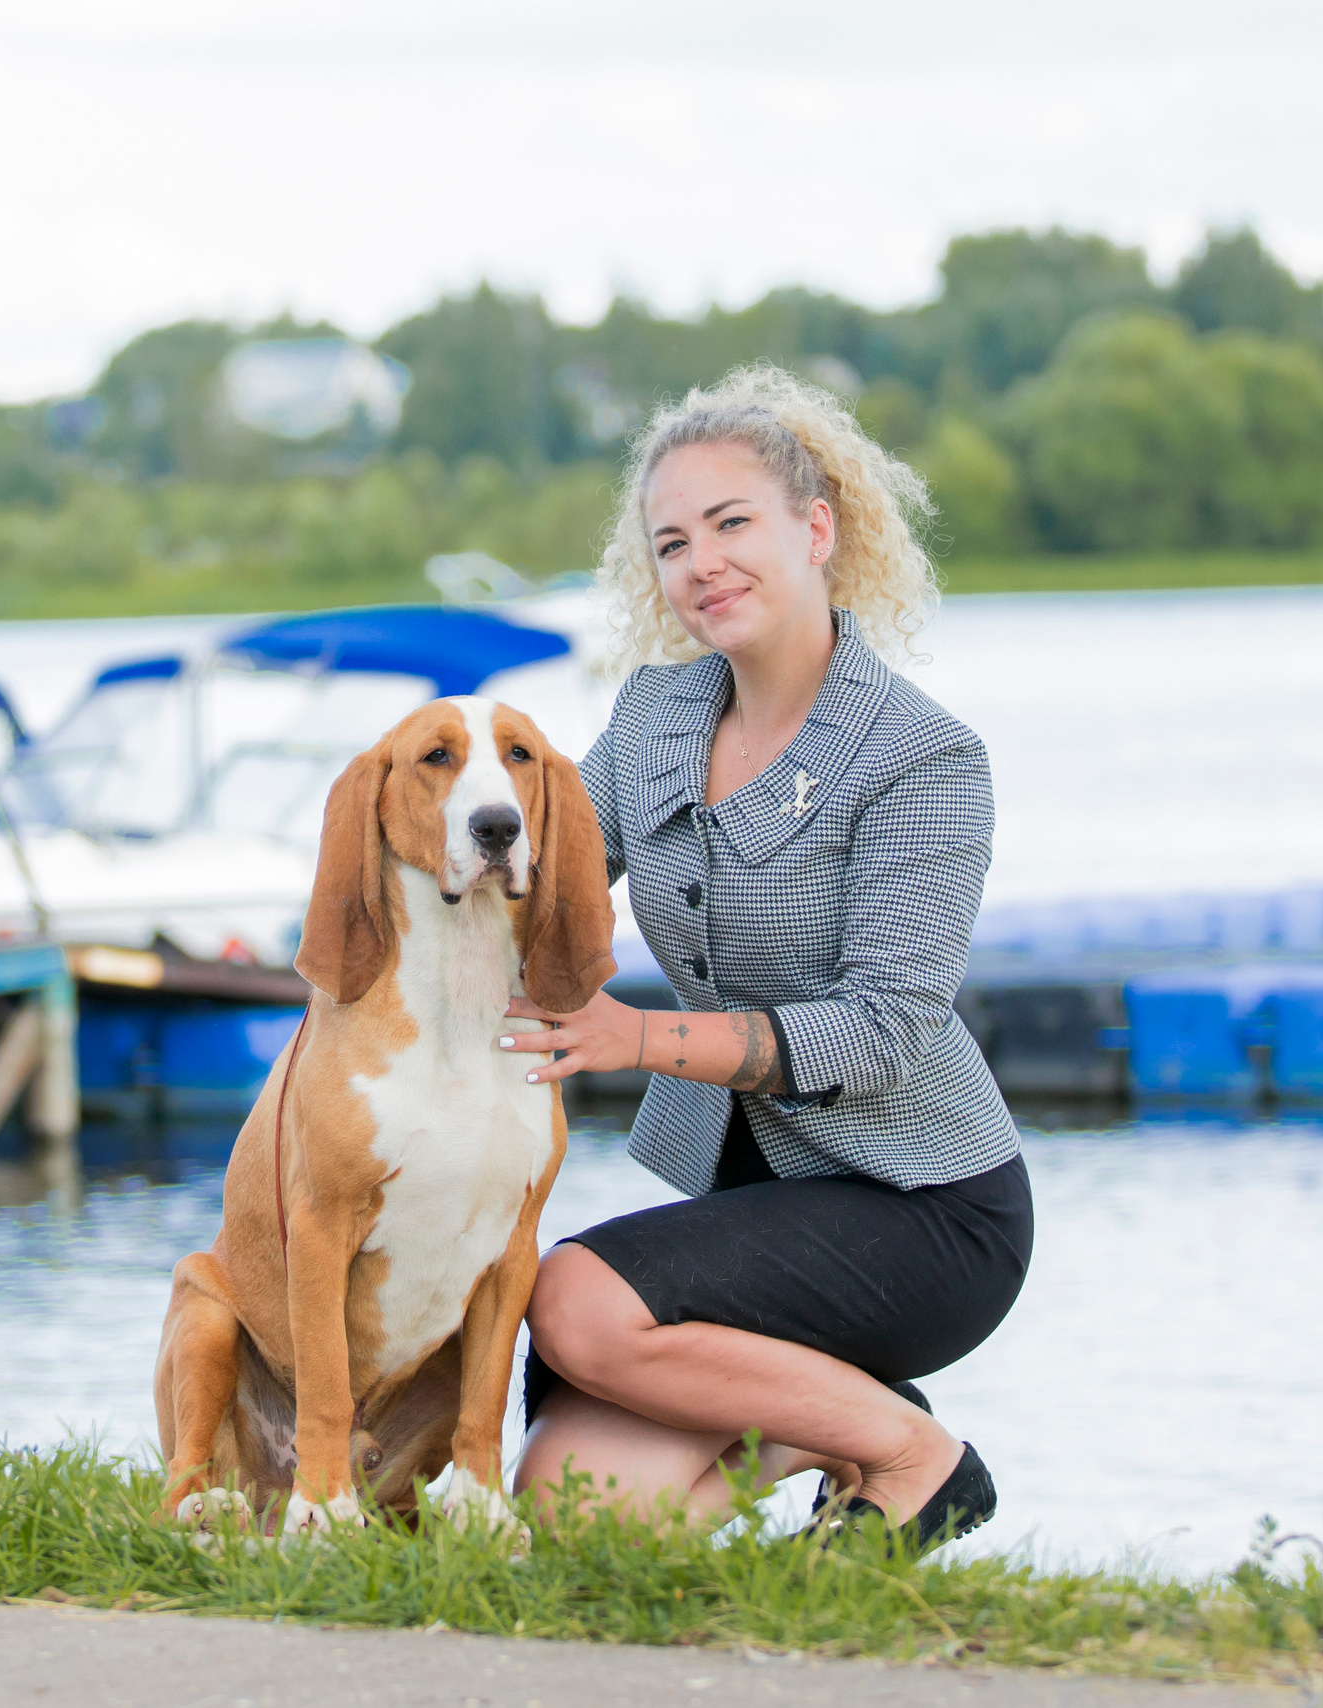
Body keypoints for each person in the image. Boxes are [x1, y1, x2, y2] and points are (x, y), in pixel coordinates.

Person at [496, 365, 1032, 1552]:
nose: (702, 564)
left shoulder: (922, 758)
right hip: (764, 1204)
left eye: (732, 523)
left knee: (573, 1292)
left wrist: (636, 1038)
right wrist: (412, 863)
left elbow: (886, 1029)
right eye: (672, 542)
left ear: (818, 529)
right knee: (581, 1517)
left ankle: (917, 1460)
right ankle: (850, 1425)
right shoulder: (654, 719)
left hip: (927, 1210)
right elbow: (547, 871)